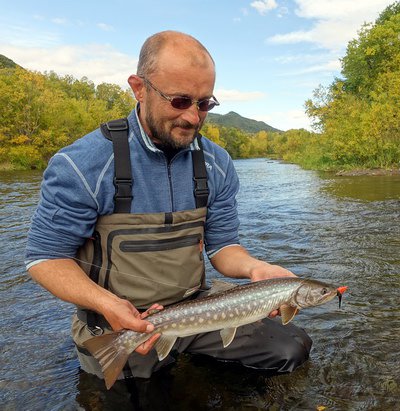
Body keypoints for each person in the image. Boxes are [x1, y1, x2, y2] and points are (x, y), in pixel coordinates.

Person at [26, 30, 312, 384]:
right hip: (118, 325)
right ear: (139, 88)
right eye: (180, 101)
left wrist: (257, 268)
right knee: (139, 396)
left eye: (205, 103)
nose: (193, 117)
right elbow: (45, 259)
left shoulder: (217, 163)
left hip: (199, 312)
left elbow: (223, 248)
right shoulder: (82, 164)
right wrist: (107, 304)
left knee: (291, 348)